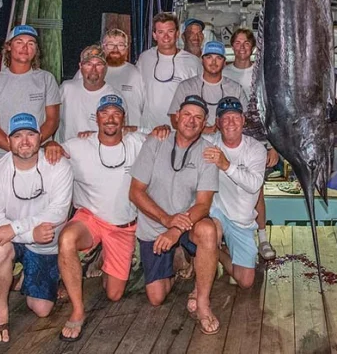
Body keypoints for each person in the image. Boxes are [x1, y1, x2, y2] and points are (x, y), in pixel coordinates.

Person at [43, 95, 163, 341]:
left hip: (123, 227)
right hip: (91, 219)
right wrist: (49, 146)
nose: (110, 118)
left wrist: (156, 129)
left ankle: (99, 256)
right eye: (105, 113)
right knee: (66, 239)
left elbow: (165, 135)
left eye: (116, 113)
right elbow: (51, 150)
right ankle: (78, 311)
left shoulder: (137, 142)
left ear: (123, 119)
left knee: (114, 294)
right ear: (96, 117)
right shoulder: (78, 145)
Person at [128, 94, 223, 335]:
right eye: (187, 115)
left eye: (198, 118)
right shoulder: (155, 142)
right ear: (176, 117)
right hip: (156, 225)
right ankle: (182, 259)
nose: (191, 121)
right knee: (156, 297)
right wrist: (166, 220)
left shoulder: (208, 152)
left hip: (187, 224)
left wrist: (175, 228)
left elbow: (203, 204)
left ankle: (202, 303)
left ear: (204, 124)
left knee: (209, 230)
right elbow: (135, 192)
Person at [0, 113, 73, 344]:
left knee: (41, 309)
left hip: (44, 242)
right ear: (8, 141)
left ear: (41, 137)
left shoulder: (58, 166)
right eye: (17, 135)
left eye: (31, 134)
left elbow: (59, 212)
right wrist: (28, 232)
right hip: (17, 237)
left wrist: (18, 228)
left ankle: (18, 279)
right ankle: (1, 315)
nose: (25, 141)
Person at [220, 27, 281, 261]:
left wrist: (273, 145)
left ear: (253, 47)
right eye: (238, 43)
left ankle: (263, 238)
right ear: (232, 46)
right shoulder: (225, 73)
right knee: (226, 188)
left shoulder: (263, 72)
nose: (242, 47)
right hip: (229, 138)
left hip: (258, 141)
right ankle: (227, 238)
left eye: (247, 43)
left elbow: (273, 110)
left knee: (256, 191)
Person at [202, 96, 267, 287]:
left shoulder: (256, 149)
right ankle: (199, 291)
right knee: (209, 232)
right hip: (217, 212)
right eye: (225, 118)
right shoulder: (207, 142)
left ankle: (219, 255)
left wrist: (226, 165)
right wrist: (159, 131)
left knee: (246, 282)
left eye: (236, 117)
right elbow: (181, 137)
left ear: (243, 120)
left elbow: (255, 184)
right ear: (217, 123)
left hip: (241, 220)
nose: (231, 122)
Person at [0, 24, 61, 161]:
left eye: (31, 43)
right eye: (19, 42)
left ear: (36, 50)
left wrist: (31, 147)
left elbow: (52, 120)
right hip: (5, 155)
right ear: (9, 47)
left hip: (39, 153)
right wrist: (15, 149)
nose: (25, 47)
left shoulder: (47, 79)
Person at [136, 12, 203, 132]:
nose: (166, 37)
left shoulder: (193, 62)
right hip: (148, 131)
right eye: (161, 32)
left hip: (179, 132)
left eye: (170, 31)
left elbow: (200, 97)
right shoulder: (144, 58)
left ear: (177, 34)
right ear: (154, 35)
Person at [167, 40, 247, 139]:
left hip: (225, 144)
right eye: (209, 57)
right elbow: (175, 120)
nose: (213, 62)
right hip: (192, 141)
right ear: (202, 60)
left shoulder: (236, 89)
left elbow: (246, 121)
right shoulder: (186, 86)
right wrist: (203, 129)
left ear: (224, 62)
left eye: (218, 58)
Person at [74, 28, 146, 130]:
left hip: (130, 136)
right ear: (102, 47)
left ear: (127, 48)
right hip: (93, 135)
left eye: (121, 45)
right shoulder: (88, 72)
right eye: (110, 45)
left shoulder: (136, 73)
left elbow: (145, 107)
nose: (115, 49)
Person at [58, 45, 120, 142]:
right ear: (80, 66)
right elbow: (51, 120)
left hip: (99, 153)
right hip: (67, 153)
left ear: (106, 67)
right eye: (89, 64)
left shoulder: (115, 96)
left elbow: (120, 132)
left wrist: (95, 136)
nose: (93, 70)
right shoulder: (66, 89)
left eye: (99, 64)